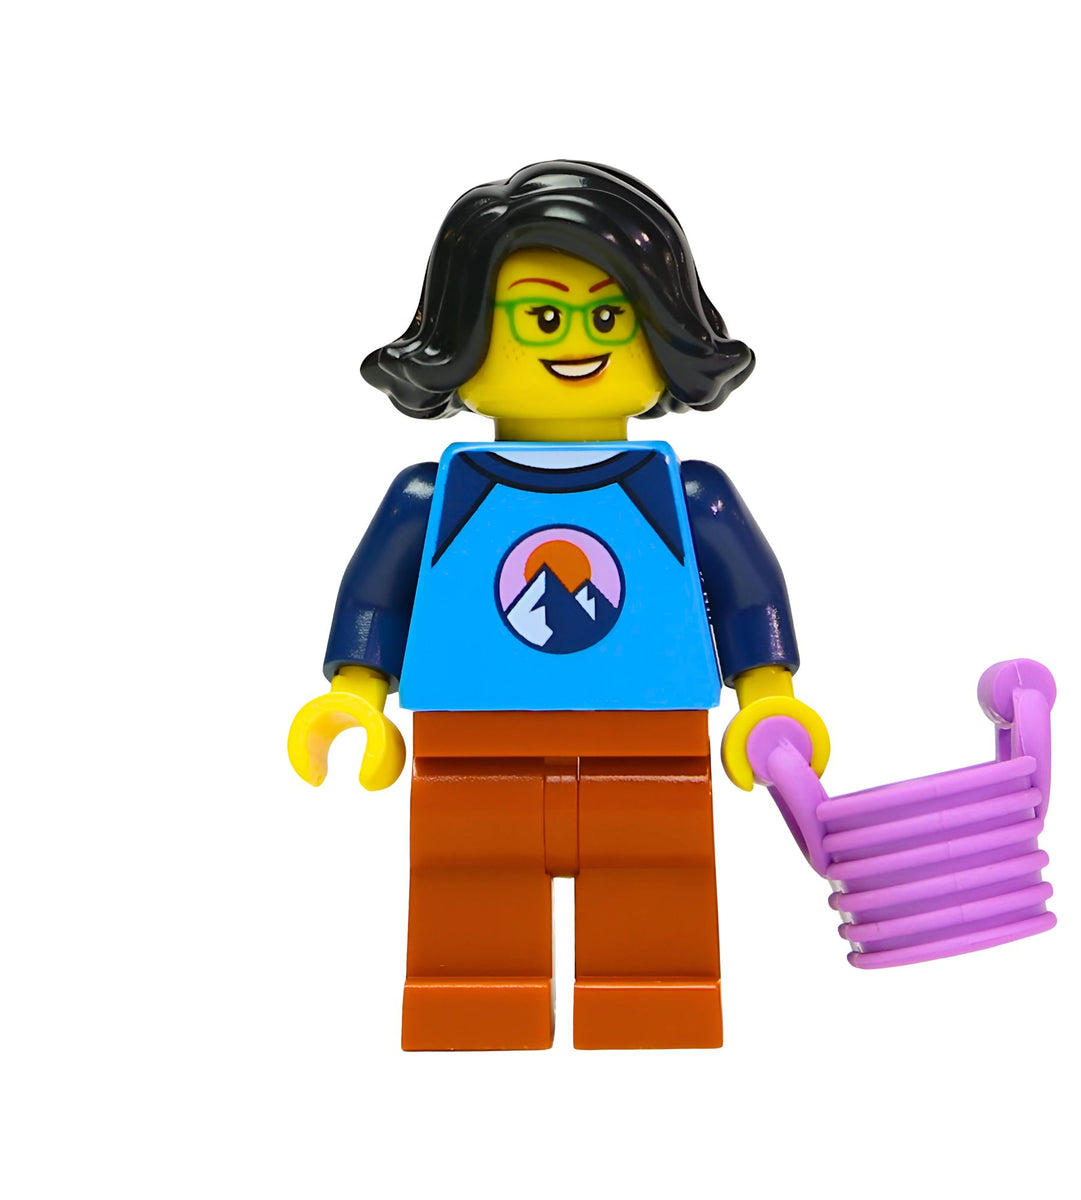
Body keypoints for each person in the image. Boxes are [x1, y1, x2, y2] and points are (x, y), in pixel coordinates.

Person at [288, 161, 827, 1050]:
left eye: (609, 317)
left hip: (651, 739)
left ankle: (655, 1001)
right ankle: (472, 1000)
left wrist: (768, 700)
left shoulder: (686, 493)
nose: (577, 341)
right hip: (471, 740)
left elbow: (748, 599)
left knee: (657, 885)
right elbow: (377, 596)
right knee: (469, 887)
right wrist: (354, 696)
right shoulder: (436, 495)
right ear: (463, 338)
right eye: (541, 316)